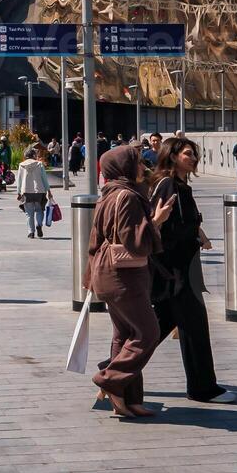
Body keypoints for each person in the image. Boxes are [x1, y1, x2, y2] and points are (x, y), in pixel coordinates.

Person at [85, 145, 177, 418]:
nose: (143, 166)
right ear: (125, 167)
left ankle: (128, 398)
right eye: (137, 162)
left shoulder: (108, 194)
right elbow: (136, 243)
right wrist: (157, 221)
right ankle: (110, 379)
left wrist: (89, 276)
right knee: (148, 333)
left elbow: (94, 241)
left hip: (107, 274)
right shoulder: (127, 196)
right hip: (124, 276)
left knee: (124, 335)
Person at [148, 139, 237, 404]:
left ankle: (115, 368)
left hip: (179, 267)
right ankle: (202, 388)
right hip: (175, 270)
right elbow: (159, 225)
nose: (194, 157)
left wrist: (199, 234)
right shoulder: (167, 185)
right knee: (194, 326)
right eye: (188, 153)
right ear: (172, 156)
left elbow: (183, 221)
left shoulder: (179, 186)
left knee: (158, 325)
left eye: (194, 153)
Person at [16, 146, 50, 237]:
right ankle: (39, 225)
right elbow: (44, 179)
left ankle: (31, 232)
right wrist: (48, 190)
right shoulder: (39, 164)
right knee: (39, 210)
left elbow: (19, 179)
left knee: (29, 213)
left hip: (26, 191)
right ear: (34, 155)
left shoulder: (21, 165)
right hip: (39, 191)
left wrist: (18, 192)